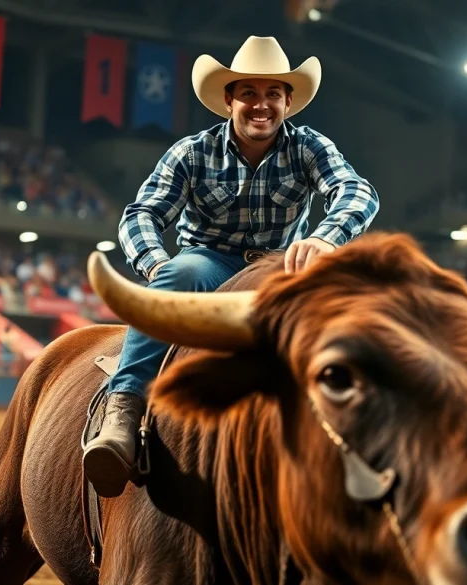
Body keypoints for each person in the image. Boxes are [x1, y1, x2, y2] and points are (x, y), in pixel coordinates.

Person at [82, 36, 380, 497]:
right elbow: (141, 215)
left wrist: (325, 237)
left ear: (288, 102)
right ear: (229, 100)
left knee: (355, 307)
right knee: (179, 275)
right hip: (207, 264)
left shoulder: (309, 147)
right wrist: (159, 265)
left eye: (272, 95)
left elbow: (356, 191)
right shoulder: (191, 152)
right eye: (249, 94)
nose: (261, 105)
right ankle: (123, 410)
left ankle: (363, 429)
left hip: (281, 269)